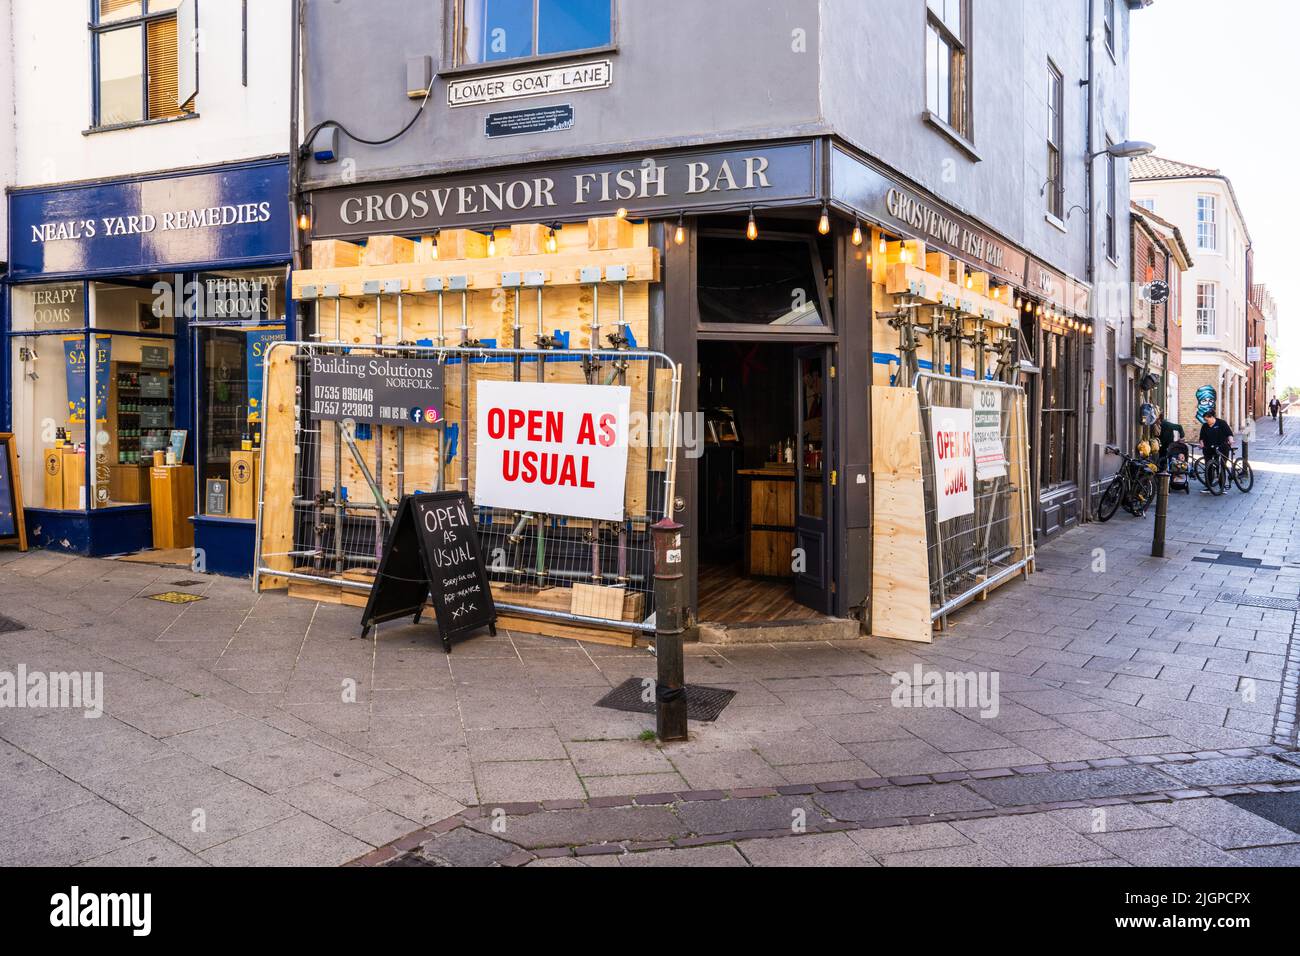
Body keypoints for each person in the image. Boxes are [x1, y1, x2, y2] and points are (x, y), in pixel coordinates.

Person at [1198, 411, 1234, 494]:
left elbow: (1229, 433)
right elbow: (1201, 438)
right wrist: (1202, 444)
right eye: (1205, 420)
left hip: (1222, 447)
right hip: (1209, 448)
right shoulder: (1205, 426)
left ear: (1212, 417)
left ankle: (1222, 487)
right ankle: (1208, 486)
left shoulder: (1221, 423)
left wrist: (1231, 440)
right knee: (1208, 466)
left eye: (1207, 420)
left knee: (1221, 466)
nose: (1206, 422)